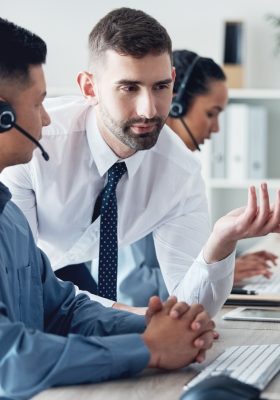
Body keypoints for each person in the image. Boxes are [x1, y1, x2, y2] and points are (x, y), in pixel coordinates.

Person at [2, 8, 280, 318]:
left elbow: (191, 307)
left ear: (173, 82)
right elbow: (23, 283)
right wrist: (134, 319)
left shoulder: (179, 172)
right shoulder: (31, 142)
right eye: (129, 88)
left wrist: (221, 241)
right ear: (89, 88)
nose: (149, 110)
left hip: (71, 279)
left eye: (160, 87)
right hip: (30, 278)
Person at [0, 16, 220, 400]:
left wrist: (157, 329)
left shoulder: (8, 219)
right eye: (38, 103)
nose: (48, 117)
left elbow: (62, 308)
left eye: (159, 86)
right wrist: (148, 348)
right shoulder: (30, 176)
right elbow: (11, 359)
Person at [120, 49, 278, 306]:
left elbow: (184, 253)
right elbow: (128, 282)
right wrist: (216, 275)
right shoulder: (134, 170)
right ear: (177, 104)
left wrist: (225, 261)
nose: (216, 128)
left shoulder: (180, 175)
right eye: (211, 113)